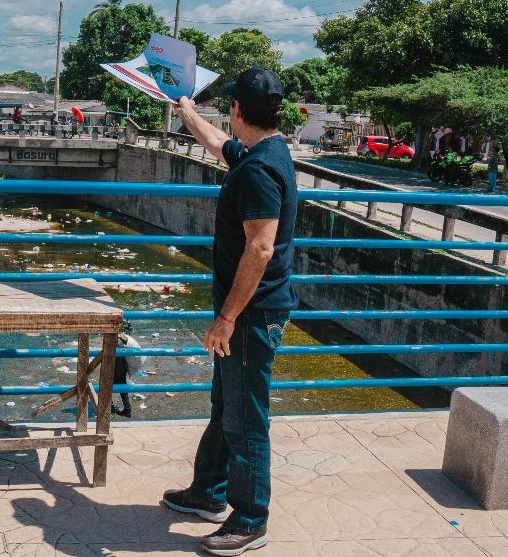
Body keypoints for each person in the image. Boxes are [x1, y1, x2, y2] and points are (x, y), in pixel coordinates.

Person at [167, 67, 298, 556]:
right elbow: (220, 144)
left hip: (251, 316)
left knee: (246, 418)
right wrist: (186, 112)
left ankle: (250, 519)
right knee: (227, 405)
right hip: (247, 313)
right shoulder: (267, 152)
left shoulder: (261, 170)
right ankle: (208, 493)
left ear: (239, 108)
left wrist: (227, 317)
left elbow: (260, 249)